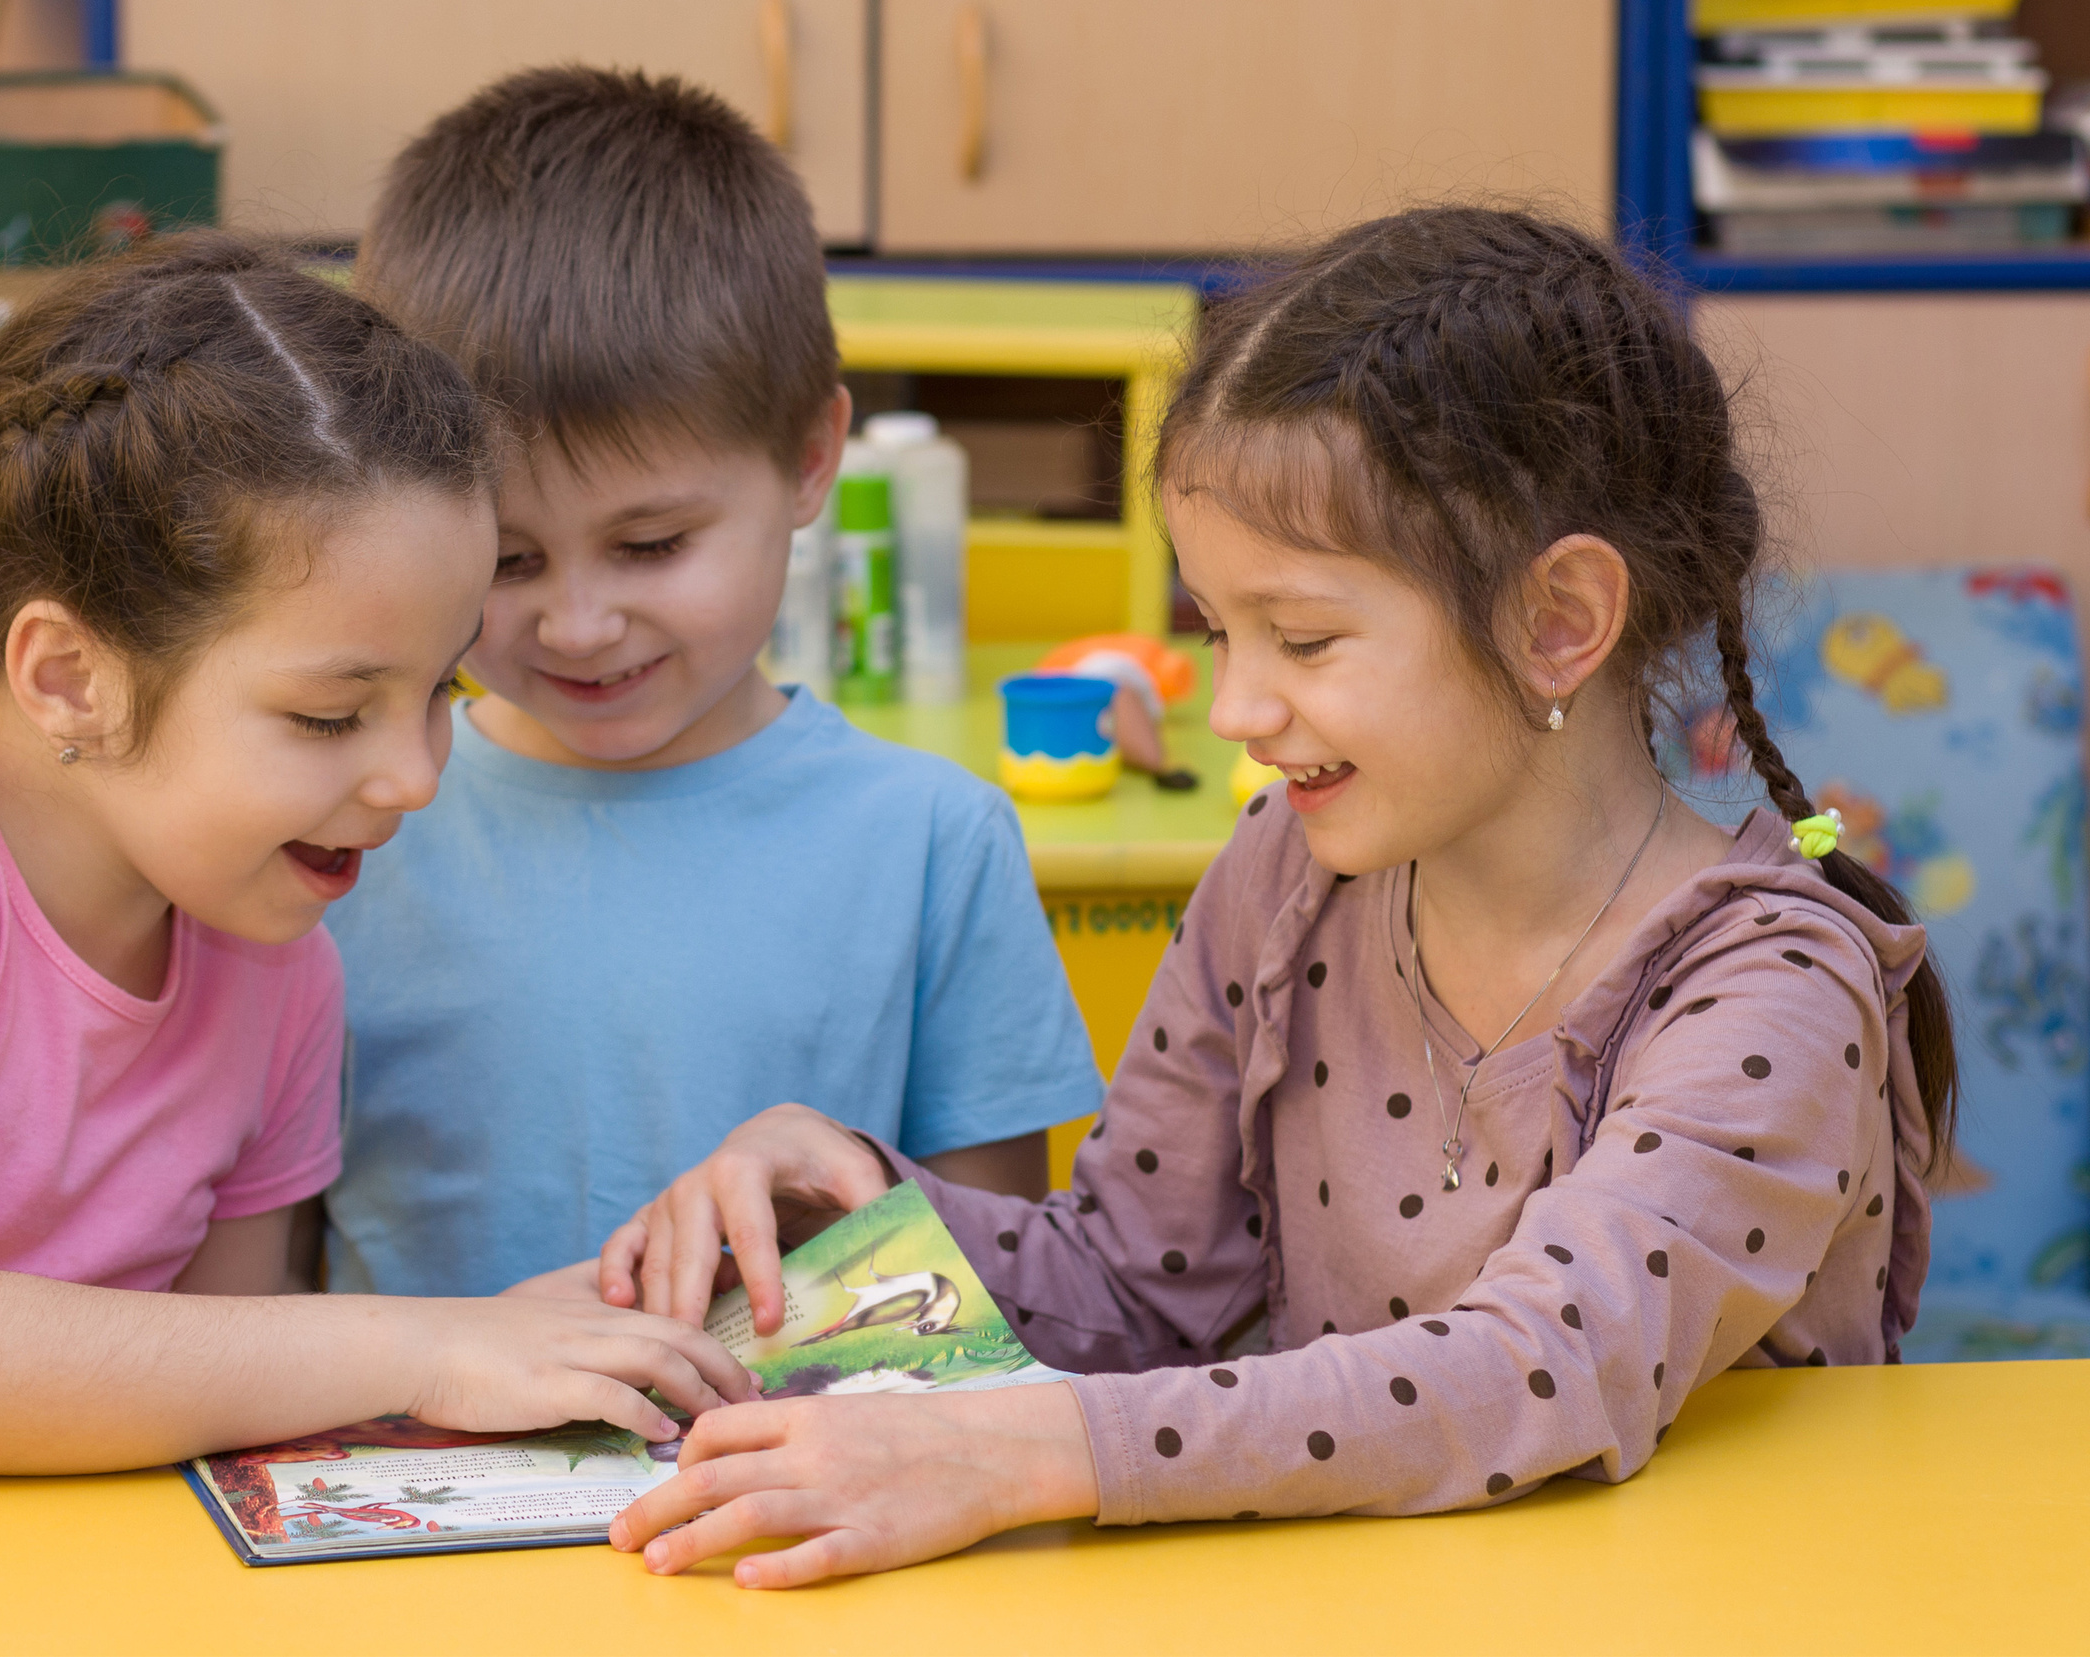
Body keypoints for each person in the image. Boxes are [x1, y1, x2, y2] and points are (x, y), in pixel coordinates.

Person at [596, 206, 1957, 1586]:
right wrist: (859, 1200)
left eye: (1301, 636)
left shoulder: (1778, 990)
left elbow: (1540, 1369)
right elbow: (1135, 1283)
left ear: (1558, 623)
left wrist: (1020, 1451)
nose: (1238, 706)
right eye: (1215, 630)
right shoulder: (1288, 872)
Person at [0, 234, 756, 1470]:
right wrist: (419, 1346)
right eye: (328, 716)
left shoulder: (277, 957)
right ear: (69, 678)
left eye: (439, 688)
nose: (417, 777)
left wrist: (503, 1346)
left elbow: (215, 1379)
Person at [322, 67, 1104, 1301]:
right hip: (396, 1483)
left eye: (651, 546)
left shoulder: (928, 841)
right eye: (508, 559)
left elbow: (1003, 1292)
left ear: (809, 460)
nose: (579, 624)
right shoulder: (340, 832)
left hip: (800, 1483)